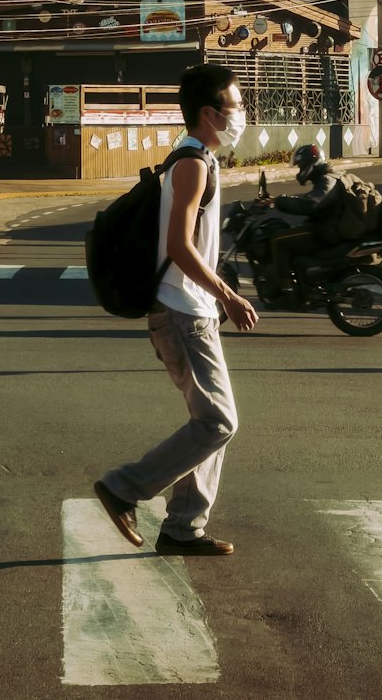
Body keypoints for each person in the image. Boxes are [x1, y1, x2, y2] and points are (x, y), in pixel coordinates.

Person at [94, 64, 259, 557]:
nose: (240, 116)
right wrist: (228, 294)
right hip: (182, 312)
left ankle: (184, 526)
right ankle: (125, 487)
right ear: (209, 113)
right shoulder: (191, 164)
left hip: (192, 309)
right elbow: (181, 247)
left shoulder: (199, 158)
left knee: (208, 422)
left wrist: (214, 299)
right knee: (219, 422)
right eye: (235, 107)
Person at [261, 144, 346, 299]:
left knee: (278, 240)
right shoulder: (325, 177)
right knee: (288, 232)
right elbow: (310, 199)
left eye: (302, 166)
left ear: (311, 164)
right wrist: (278, 200)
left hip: (325, 232)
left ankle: (286, 290)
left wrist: (280, 201)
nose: (300, 171)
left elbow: (311, 203)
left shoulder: (327, 179)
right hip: (325, 227)